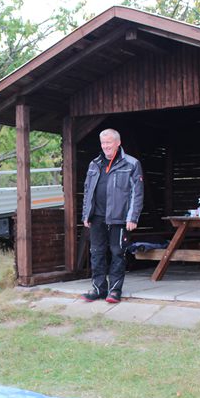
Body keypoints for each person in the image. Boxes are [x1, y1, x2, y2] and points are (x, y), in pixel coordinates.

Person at [80, 129, 144, 303]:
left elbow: (137, 193)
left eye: (108, 142)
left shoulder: (131, 163)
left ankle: (114, 291)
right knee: (96, 253)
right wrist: (86, 214)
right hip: (97, 217)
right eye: (103, 143)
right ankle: (98, 289)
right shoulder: (94, 164)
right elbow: (87, 191)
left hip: (120, 217)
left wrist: (133, 217)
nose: (105, 146)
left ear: (118, 143)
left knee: (117, 253)